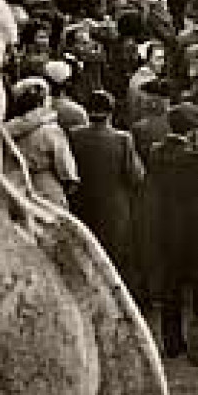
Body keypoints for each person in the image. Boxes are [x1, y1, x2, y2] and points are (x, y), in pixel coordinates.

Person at [148, 102, 198, 359]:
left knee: (170, 284)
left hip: (163, 222)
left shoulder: (156, 152)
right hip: (189, 226)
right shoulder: (192, 158)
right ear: (192, 130)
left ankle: (172, 341)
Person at [67, 90, 146, 293]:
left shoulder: (75, 135)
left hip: (82, 205)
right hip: (114, 208)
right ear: (111, 112)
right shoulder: (123, 139)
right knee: (114, 259)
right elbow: (135, 176)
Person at [7, 77, 79, 209]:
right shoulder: (51, 130)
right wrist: (70, 181)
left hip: (15, 189)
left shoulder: (7, 131)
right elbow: (64, 165)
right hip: (47, 189)